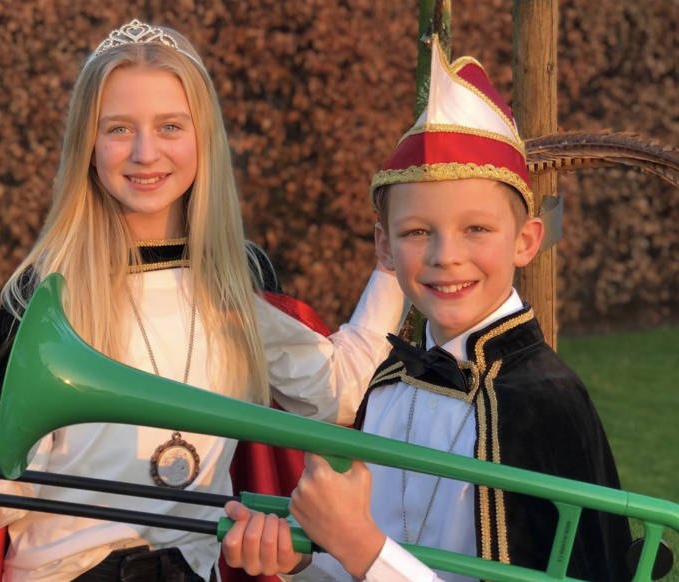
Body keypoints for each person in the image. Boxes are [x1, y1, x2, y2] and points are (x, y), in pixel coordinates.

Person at [0, 20, 408, 582]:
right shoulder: (50, 295)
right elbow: (6, 481)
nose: (145, 152)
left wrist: (396, 261)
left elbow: (338, 395)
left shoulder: (236, 288)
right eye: (118, 128)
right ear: (88, 147)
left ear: (204, 140)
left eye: (170, 126)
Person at [221, 36, 632, 582]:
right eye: (417, 232)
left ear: (526, 241)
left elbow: (369, 553)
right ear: (385, 249)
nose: (445, 256)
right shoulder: (388, 381)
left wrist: (361, 548)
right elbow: (356, 566)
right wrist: (300, 563)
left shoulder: (546, 405)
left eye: (477, 228)